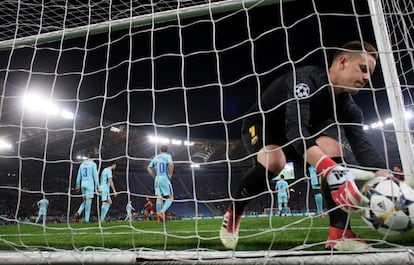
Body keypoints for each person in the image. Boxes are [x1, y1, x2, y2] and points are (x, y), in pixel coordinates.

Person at [219, 40, 390, 250]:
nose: (367, 78)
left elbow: (363, 147)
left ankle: (340, 234)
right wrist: (330, 169)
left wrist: (386, 176)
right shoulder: (306, 80)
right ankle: (234, 213)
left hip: (302, 134)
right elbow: (294, 129)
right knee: (275, 161)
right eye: (363, 69)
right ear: (343, 61)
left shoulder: (349, 108)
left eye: (370, 73)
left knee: (334, 149)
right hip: (264, 126)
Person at [147, 145, 174, 223]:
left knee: (159, 197)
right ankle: (162, 211)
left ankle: (159, 218)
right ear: (167, 150)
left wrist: (154, 176)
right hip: (164, 178)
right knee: (171, 197)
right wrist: (170, 174)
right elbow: (171, 164)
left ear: (160, 150)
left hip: (157, 179)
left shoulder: (156, 158)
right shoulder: (167, 156)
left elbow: (148, 168)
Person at [74, 152, 100, 223]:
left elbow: (79, 176)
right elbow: (95, 176)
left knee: (85, 201)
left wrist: (77, 185)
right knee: (89, 202)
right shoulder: (93, 164)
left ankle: (78, 212)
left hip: (83, 184)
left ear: (88, 157)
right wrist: (98, 186)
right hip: (89, 184)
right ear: (94, 158)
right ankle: (86, 219)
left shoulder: (82, 164)